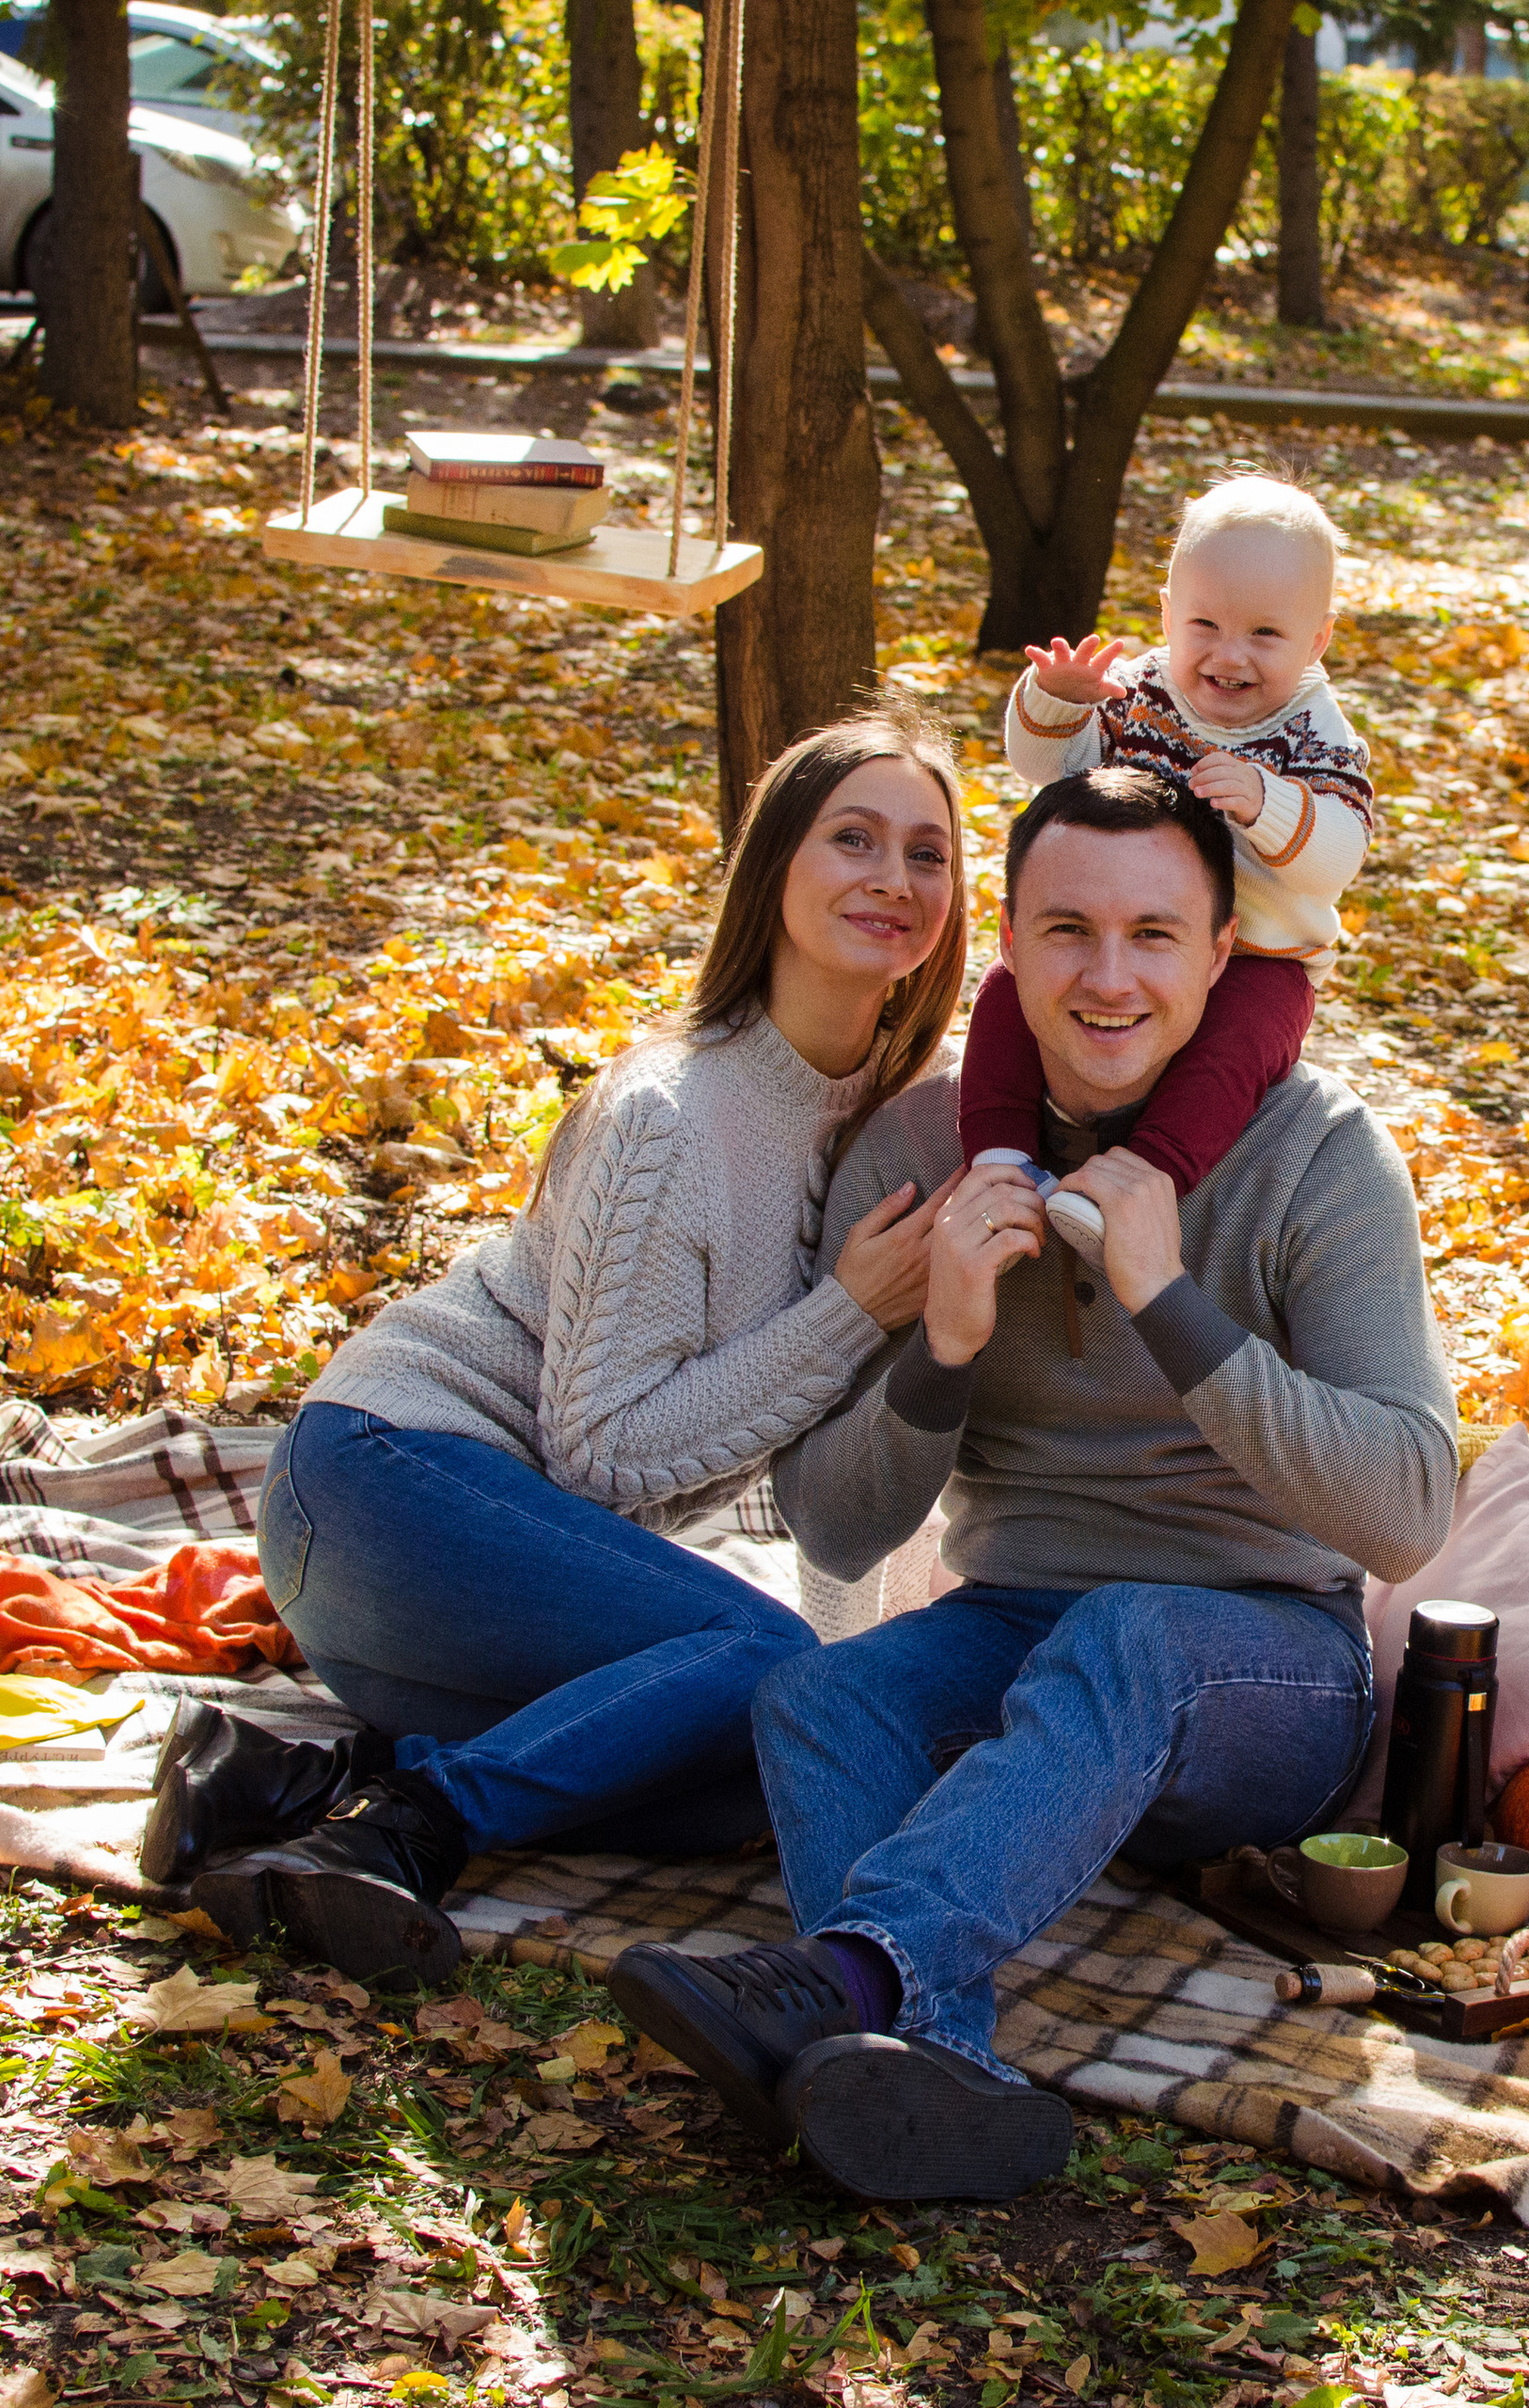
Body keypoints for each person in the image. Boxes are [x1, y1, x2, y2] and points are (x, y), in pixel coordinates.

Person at [607, 764, 1457, 2201]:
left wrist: (1170, 1303)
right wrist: (942, 1347)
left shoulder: (1321, 1154)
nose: (1109, 978)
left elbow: (1408, 1512)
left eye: (1153, 936)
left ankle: (846, 1979)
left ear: (1222, 954)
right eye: (1068, 930)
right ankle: (931, 2067)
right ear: (1007, 942)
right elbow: (836, 1526)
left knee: (1126, 1636)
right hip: (1013, 1624)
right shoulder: (918, 1149)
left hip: (1263, 1663)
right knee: (819, 1694)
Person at [142, 705, 970, 1987]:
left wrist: (842, 1691)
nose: (894, 878)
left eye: (928, 853)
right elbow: (599, 1455)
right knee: (762, 1661)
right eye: (852, 839)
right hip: (384, 1482)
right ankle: (402, 1833)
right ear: (775, 869)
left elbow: (818, 1461)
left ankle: (284, 1778)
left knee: (759, 1767)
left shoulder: (895, 1121)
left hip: (473, 1604)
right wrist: (850, 1310)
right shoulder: (670, 1113)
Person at [962, 475, 1373, 1270]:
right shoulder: (1140, 691)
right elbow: (1049, 767)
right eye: (1204, 624)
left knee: (1228, 1058)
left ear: (1318, 641)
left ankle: (1139, 1178)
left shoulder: (1316, 734)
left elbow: (1338, 857)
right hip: (1126, 925)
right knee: (1006, 995)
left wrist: (1269, 803)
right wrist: (1056, 703)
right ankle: (1000, 1162)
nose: (1229, 654)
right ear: (1165, 615)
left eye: (1265, 634)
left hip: (1260, 957)